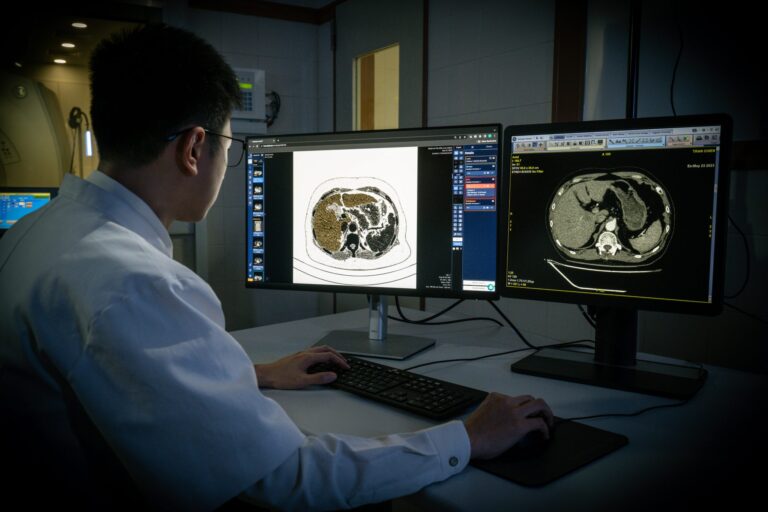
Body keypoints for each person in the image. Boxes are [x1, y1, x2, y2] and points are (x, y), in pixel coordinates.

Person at [0, 23, 553, 511]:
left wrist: (253, 373)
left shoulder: (37, 232)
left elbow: (113, 369)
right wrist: (466, 437)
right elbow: (286, 478)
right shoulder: (134, 283)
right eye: (227, 144)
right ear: (195, 147)